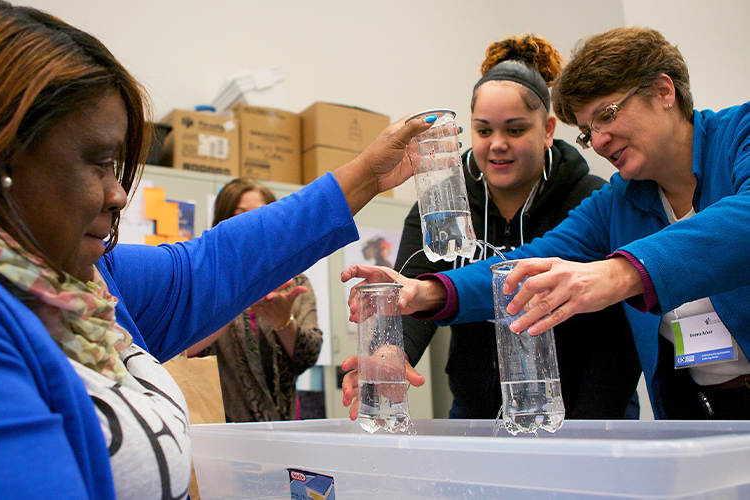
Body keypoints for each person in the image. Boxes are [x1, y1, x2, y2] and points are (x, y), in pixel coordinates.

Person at [0, 1, 436, 497]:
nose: (118, 193)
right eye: (99, 163)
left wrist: (367, 174)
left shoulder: (89, 284)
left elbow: (218, 262)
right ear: (0, 157)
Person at [342, 26, 750, 421]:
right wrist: (426, 290)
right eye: (590, 132)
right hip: (696, 409)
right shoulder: (619, 200)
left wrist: (620, 272)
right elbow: (529, 263)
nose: (601, 140)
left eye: (607, 115)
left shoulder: (740, 136)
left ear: (664, 92)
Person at [392, 34, 640, 420]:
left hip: (584, 411)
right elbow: (414, 288)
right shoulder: (442, 207)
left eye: (515, 129)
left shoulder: (591, 200)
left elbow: (618, 337)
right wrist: (394, 351)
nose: (497, 145)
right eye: (484, 130)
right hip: (476, 412)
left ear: (548, 130)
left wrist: (591, 429)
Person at [187, 178, 323, 422]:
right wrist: (232, 303)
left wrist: (284, 322)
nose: (253, 224)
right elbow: (182, 349)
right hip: (217, 425)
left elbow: (308, 356)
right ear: (222, 221)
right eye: (241, 214)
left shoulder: (293, 280)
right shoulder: (206, 277)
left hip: (283, 426)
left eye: (262, 215)